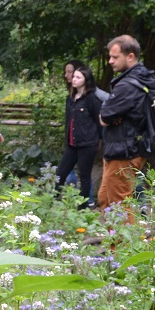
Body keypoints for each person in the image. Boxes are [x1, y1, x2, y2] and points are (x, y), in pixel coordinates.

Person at [98, 34, 155, 211]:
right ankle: (112, 237)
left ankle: (126, 239)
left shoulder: (128, 86)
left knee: (119, 203)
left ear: (130, 56)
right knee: (105, 198)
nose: (110, 61)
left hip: (124, 150)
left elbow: (103, 118)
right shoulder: (143, 78)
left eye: (115, 57)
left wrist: (108, 114)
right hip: (126, 146)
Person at [56, 64, 103, 207]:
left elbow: (99, 121)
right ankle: (53, 200)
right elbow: (68, 121)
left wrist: (100, 141)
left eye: (78, 77)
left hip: (88, 144)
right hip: (72, 143)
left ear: (86, 79)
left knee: (84, 175)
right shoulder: (70, 98)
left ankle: (82, 207)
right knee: (60, 173)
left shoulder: (91, 99)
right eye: (74, 76)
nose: (74, 79)